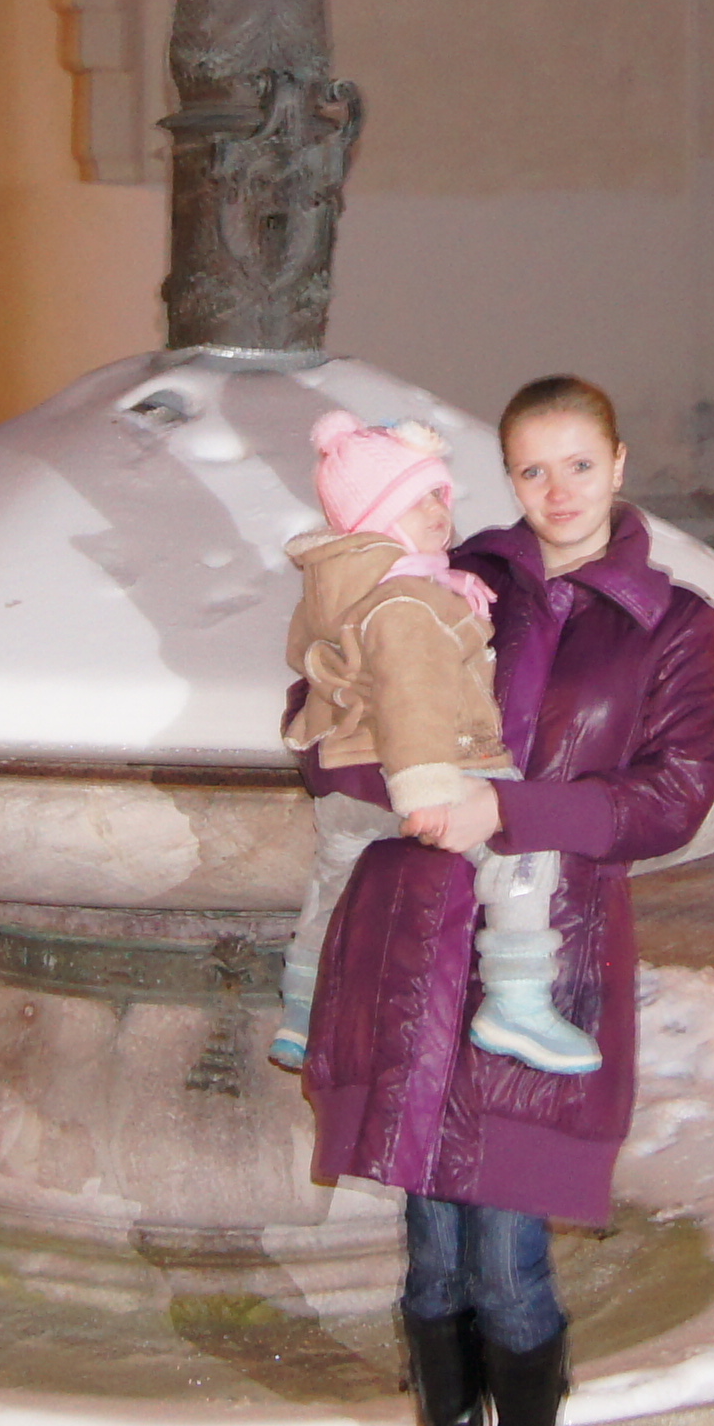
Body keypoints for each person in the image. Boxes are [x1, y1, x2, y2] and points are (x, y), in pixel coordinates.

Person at [289, 374, 714, 1426]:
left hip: (551, 955)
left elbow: (674, 795)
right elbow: (318, 728)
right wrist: (395, 779)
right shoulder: (447, 575)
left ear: (618, 462)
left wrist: (508, 808)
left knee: (510, 1258)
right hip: (422, 941)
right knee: (432, 1254)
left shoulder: (669, 622)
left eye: (577, 464)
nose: (556, 491)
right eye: (532, 468)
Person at [275, 412, 597, 1077]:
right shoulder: (407, 604)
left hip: (347, 777)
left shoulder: (344, 585)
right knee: (523, 843)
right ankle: (517, 1000)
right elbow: (411, 696)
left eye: (440, 496)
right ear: (374, 517)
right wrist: (425, 791)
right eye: (417, 501)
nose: (439, 514)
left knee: (333, 887)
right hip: (415, 768)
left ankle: (301, 1010)